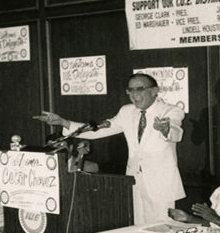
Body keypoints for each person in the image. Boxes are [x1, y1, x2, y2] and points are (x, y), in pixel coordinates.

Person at [33, 73, 185, 224]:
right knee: (138, 229)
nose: (134, 94)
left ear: (154, 91)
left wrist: (165, 130)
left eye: (139, 89)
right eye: (130, 90)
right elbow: (98, 130)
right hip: (134, 180)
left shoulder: (170, 110)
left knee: (163, 229)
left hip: (161, 184)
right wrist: (63, 122)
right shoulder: (127, 111)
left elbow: (175, 131)